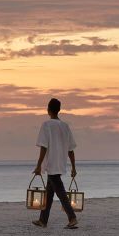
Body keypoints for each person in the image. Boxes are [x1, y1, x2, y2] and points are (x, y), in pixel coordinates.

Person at [32, 98, 78, 229]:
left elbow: (43, 147)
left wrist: (38, 166)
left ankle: (72, 217)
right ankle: (43, 220)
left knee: (61, 192)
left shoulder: (46, 125)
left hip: (51, 164)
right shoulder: (65, 126)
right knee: (49, 193)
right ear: (59, 110)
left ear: (48, 109)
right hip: (60, 163)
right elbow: (70, 150)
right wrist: (73, 167)